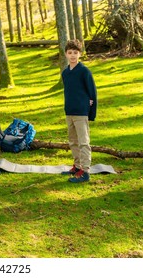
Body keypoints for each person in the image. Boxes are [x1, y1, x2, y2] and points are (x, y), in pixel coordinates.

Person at [61, 40, 97, 183]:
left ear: (80, 54)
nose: (73, 55)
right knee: (73, 141)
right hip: (69, 112)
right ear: (66, 54)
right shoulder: (65, 73)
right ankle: (77, 167)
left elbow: (92, 93)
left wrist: (91, 112)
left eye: (75, 53)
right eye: (70, 53)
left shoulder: (84, 71)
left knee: (83, 142)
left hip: (81, 113)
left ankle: (85, 171)